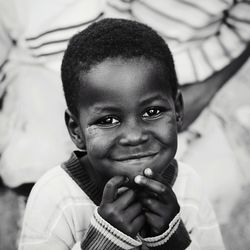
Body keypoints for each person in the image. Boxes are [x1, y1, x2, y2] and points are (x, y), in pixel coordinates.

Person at [19, 18, 225, 250]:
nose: (134, 136)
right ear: (76, 130)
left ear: (177, 110)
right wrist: (103, 242)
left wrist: (174, 240)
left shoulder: (189, 186)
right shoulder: (54, 197)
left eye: (152, 112)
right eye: (108, 120)